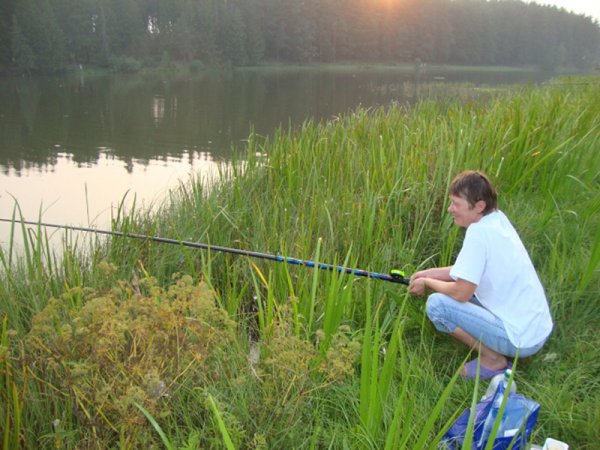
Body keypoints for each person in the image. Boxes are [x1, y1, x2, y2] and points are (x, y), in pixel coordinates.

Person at [409, 170, 553, 380]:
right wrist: (426, 273)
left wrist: (428, 283)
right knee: (452, 295)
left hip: (521, 339)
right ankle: (497, 350)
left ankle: (493, 359)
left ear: (479, 206)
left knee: (437, 305)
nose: (450, 209)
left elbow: (461, 293)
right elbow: (466, 270)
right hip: (537, 329)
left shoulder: (478, 233)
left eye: (455, 204)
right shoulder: (496, 220)